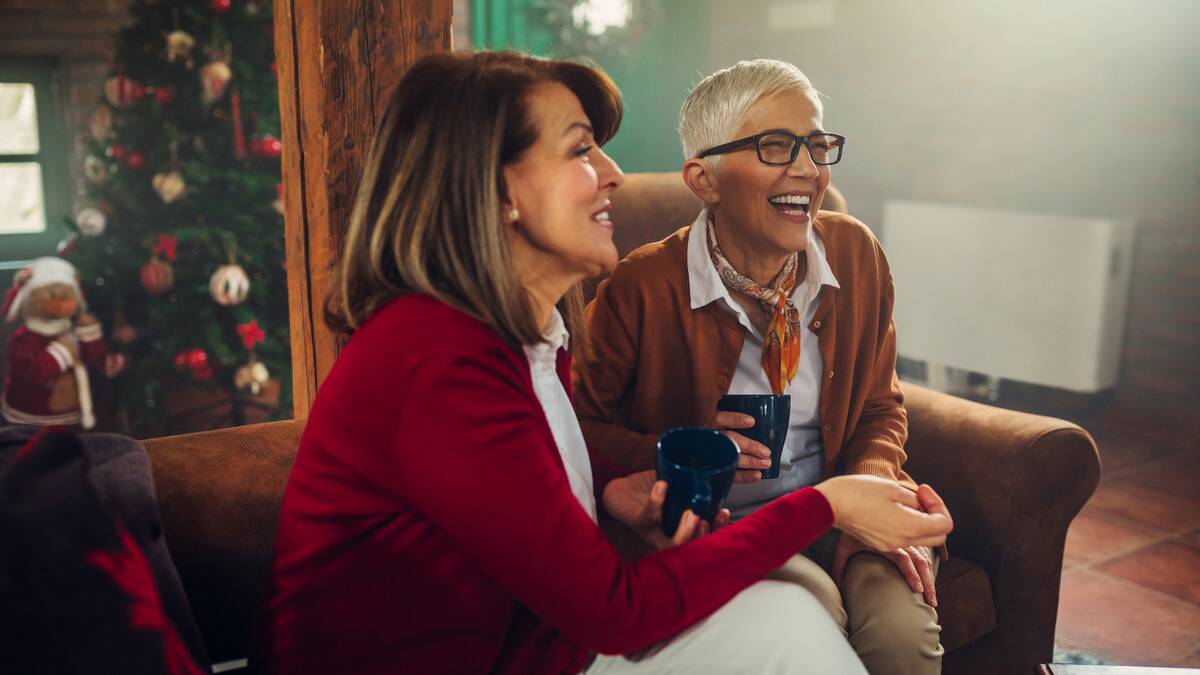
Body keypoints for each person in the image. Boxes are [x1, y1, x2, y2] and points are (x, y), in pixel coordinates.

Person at [257, 51, 952, 675]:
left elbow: (526, 482)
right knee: (791, 626)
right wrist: (825, 503)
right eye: (582, 150)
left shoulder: (529, 337)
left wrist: (612, 484)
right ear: (498, 191)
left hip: (539, 646)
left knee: (795, 623)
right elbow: (613, 609)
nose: (614, 175)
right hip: (516, 652)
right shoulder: (439, 362)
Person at [574, 58, 947, 675]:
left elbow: (881, 405)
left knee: (902, 634)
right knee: (811, 613)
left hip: (842, 502)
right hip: (727, 527)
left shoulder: (855, 254)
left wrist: (870, 493)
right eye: (775, 146)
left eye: (818, 144)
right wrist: (681, 451)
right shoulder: (641, 283)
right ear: (704, 179)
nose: (808, 167)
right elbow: (575, 427)